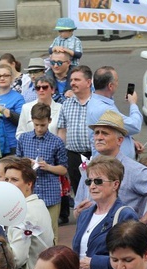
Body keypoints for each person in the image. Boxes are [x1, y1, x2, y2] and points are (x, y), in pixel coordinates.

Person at [73, 155, 139, 269]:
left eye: (98, 181)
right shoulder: (85, 214)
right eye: (89, 181)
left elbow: (134, 259)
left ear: (115, 184)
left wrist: (95, 264)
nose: (92, 186)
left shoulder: (124, 215)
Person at [75, 111, 147, 218]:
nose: (99, 137)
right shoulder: (90, 168)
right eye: (96, 132)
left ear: (119, 140)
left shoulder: (134, 170)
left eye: (105, 133)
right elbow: (77, 208)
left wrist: (142, 225)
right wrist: (79, 213)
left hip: (122, 233)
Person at [2, 156, 55, 269]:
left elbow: (17, 258)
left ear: (29, 184)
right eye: (6, 180)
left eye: (14, 180)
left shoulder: (22, 212)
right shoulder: (37, 204)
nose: (9, 184)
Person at [16, 102, 69, 243]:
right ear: (32, 121)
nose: (39, 129)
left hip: (50, 194)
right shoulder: (23, 139)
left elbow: (63, 169)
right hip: (29, 193)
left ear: (49, 121)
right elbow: (15, 164)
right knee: (27, 232)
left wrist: (48, 167)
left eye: (43, 125)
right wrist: (24, 163)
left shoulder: (57, 142)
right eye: (36, 125)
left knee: (51, 234)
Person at [86, 66, 142, 160]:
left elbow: (117, 130)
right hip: (112, 165)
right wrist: (133, 103)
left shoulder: (101, 102)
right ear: (110, 86)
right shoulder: (104, 109)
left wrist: (131, 141)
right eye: (116, 80)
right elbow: (134, 126)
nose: (118, 83)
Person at [57, 65, 93, 198]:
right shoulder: (66, 104)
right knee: (78, 192)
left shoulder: (98, 103)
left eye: (77, 80)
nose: (72, 83)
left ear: (88, 82)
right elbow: (62, 131)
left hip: (93, 155)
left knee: (95, 191)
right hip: (73, 156)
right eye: (71, 80)